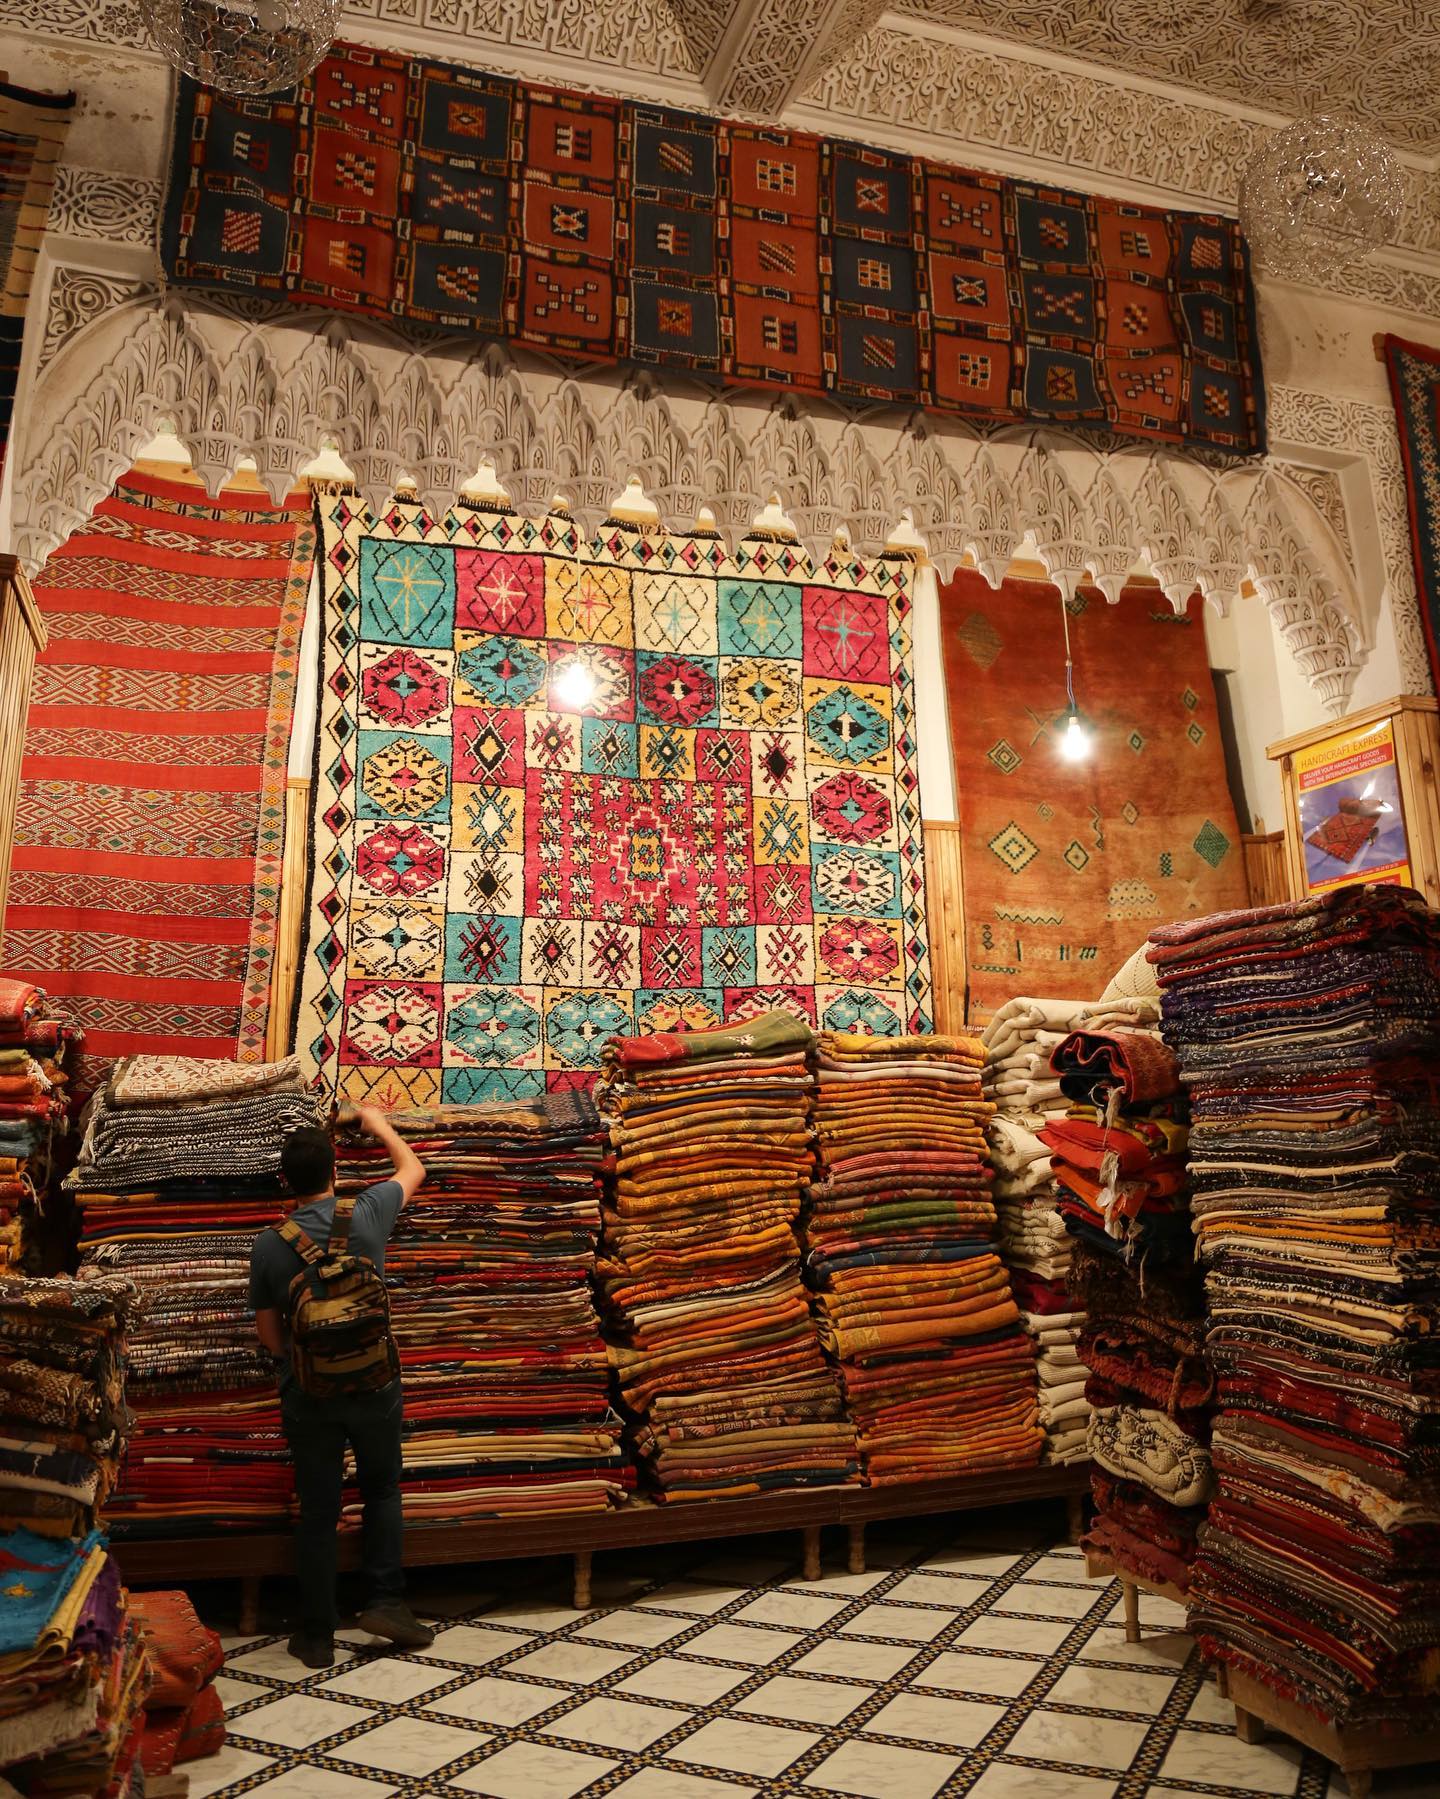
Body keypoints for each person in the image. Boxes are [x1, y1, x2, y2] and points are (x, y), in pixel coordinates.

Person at [249, 1105, 433, 1668]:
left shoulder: (270, 1245)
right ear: (335, 1170)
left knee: (320, 1507)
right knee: (381, 1490)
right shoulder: (370, 1212)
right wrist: (377, 1125)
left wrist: (309, 1364)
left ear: (285, 1180)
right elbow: (414, 1168)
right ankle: (385, 1602)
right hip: (377, 1385)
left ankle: (316, 1634)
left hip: (311, 1397)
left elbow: (271, 1336)